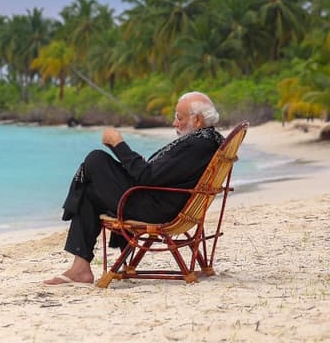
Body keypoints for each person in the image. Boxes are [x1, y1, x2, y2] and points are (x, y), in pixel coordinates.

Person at [44, 91, 224, 285]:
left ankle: (72, 220)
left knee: (95, 159)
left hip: (157, 209)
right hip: (159, 201)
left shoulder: (198, 145)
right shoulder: (206, 140)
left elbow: (147, 177)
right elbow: (158, 174)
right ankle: (80, 269)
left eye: (179, 118)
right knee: (89, 191)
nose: (174, 123)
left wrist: (118, 144)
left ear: (197, 120)